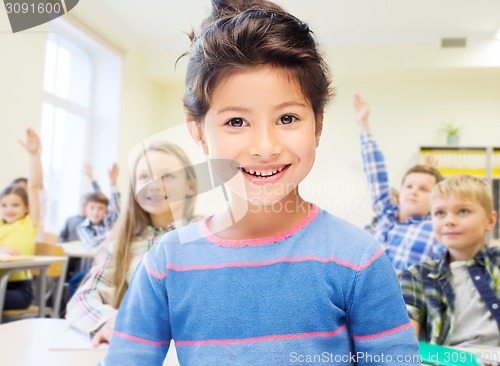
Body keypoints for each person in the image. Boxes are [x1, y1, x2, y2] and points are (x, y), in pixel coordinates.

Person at [100, 1, 419, 364]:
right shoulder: (168, 262)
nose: (265, 147)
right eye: (236, 122)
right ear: (199, 133)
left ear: (318, 126)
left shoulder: (359, 259)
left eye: (287, 118)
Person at [66, 141, 198, 346]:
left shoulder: (207, 234)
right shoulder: (122, 244)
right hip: (143, 349)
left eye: (167, 176)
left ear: (190, 186)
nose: (153, 184)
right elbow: (82, 298)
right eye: (144, 176)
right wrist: (107, 320)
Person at [401, 174, 500, 347]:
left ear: (490, 220)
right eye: (440, 213)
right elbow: (406, 346)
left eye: (463, 211)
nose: (449, 221)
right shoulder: (417, 275)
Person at [354, 94, 445, 274]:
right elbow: (376, 172)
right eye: (409, 186)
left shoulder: (435, 229)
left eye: (424, 189)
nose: (414, 192)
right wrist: (364, 125)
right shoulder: (386, 212)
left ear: (436, 199)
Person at [0, 128, 42, 309]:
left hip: (20, 290)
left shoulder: (28, 224)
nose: (9, 210)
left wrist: (34, 156)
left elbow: (33, 187)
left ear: (26, 208)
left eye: (15, 205)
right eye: (4, 205)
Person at [76, 163, 121, 250]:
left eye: (100, 209)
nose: (95, 212)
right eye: (92, 208)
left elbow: (115, 205)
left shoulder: (109, 221)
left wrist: (113, 183)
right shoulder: (82, 227)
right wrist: (113, 233)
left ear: (106, 210)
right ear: (86, 209)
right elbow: (91, 244)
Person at [59, 164, 102, 243]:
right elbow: (62, 238)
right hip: (71, 253)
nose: (85, 208)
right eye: (83, 205)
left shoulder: (93, 221)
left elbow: (100, 197)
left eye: (88, 206)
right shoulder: (71, 220)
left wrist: (92, 178)